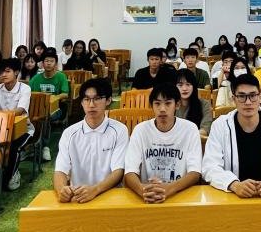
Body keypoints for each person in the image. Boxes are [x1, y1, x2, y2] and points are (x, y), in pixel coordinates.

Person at [202, 73, 261, 197]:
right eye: (242, 96)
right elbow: (210, 166)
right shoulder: (220, 125)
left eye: (253, 96)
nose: (248, 102)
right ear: (233, 99)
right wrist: (234, 185)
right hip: (232, 196)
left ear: (260, 97)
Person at [123, 83, 203, 204]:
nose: (162, 109)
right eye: (157, 103)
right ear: (151, 105)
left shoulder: (190, 129)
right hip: (147, 197)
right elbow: (130, 172)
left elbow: (195, 173)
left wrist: (169, 189)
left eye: (168, 103)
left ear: (177, 104)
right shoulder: (140, 130)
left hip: (180, 195)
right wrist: (142, 190)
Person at [54, 77, 128, 206]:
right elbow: (60, 170)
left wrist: (96, 189)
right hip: (79, 198)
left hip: (110, 196)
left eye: (97, 98)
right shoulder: (69, 133)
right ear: (81, 102)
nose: (91, 104)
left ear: (108, 100)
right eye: (86, 99)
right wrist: (61, 190)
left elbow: (118, 171)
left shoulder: (119, 130)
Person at [0, 58, 33, 191]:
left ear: (16, 72)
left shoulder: (25, 88)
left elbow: (20, 110)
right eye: (1, 72)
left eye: (7, 71)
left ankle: (10, 177)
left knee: (14, 148)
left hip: (22, 129)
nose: (3, 75)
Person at [175, 69, 213, 135]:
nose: (184, 89)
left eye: (188, 84)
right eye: (180, 85)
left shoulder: (204, 104)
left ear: (194, 86)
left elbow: (205, 129)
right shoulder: (171, 105)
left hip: (197, 140)